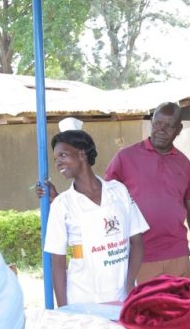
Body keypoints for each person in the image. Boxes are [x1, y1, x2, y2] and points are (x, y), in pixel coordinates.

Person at [104, 102, 190, 282]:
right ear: (152, 122)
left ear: (179, 129)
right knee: (145, 301)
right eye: (157, 124)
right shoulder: (125, 158)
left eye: (169, 126)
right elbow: (105, 202)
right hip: (139, 256)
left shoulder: (186, 167)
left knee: (179, 301)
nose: (161, 130)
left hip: (177, 254)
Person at [40, 130, 148, 306]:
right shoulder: (62, 204)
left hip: (122, 297)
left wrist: (129, 284)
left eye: (63, 155)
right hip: (83, 301)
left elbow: (137, 242)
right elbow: (57, 262)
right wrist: (64, 310)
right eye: (55, 159)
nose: (58, 163)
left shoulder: (118, 191)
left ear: (82, 154)